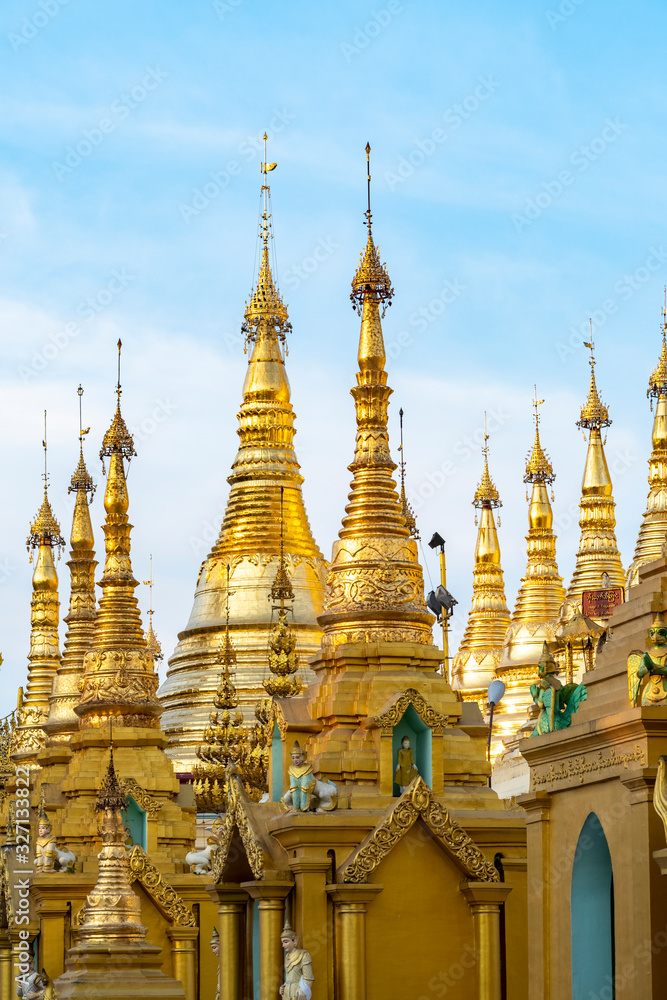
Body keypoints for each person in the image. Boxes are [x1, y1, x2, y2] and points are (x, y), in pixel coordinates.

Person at [279, 928, 313, 1000]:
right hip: (286, 994)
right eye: (282, 942)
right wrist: (284, 986)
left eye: (286, 942)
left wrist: (303, 989)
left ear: (295, 941)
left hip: (297, 993)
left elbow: (309, 978)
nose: (283, 945)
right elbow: (291, 977)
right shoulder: (287, 956)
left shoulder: (303, 955)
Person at [287, 742, 315, 812]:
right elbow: (294, 788)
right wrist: (295, 807)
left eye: (297, 757)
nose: (295, 760)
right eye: (293, 758)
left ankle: (304, 806)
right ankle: (296, 807)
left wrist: (303, 807)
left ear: (302, 757)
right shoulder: (291, 770)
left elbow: (305, 788)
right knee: (287, 796)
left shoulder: (307, 769)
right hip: (295, 793)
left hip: (307, 792)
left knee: (304, 788)